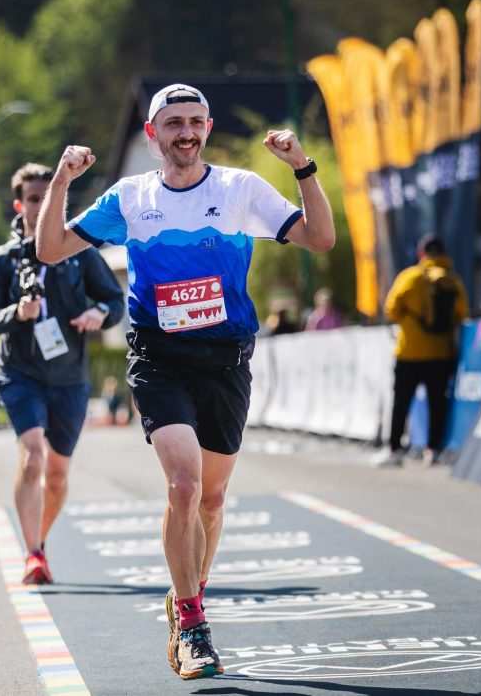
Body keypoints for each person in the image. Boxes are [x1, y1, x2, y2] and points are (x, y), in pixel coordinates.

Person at [36, 83, 335, 680]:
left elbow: (319, 238)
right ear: (153, 135)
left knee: (214, 500)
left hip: (226, 359)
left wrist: (303, 166)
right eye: (173, 123)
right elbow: (49, 249)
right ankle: (195, 624)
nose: (186, 133)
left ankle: (185, 594)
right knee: (183, 487)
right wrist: (61, 182)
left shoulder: (239, 190)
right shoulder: (129, 197)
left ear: (208, 126)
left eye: (195, 122)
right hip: (160, 358)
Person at [0, 162, 124, 585]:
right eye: (34, 199)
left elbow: (115, 301)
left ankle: (37, 540)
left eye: (49, 198)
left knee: (57, 475)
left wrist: (100, 313)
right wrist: (16, 314)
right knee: (33, 454)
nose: (42, 208)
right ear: (20, 204)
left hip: (70, 379)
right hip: (20, 375)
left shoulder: (80, 254)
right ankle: (34, 553)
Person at [384, 234, 467, 466]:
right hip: (441, 353)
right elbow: (462, 313)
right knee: (437, 403)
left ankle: (395, 451)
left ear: (421, 253)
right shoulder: (453, 280)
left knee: (401, 402)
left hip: (410, 352)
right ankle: (434, 450)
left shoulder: (410, 277)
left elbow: (391, 308)